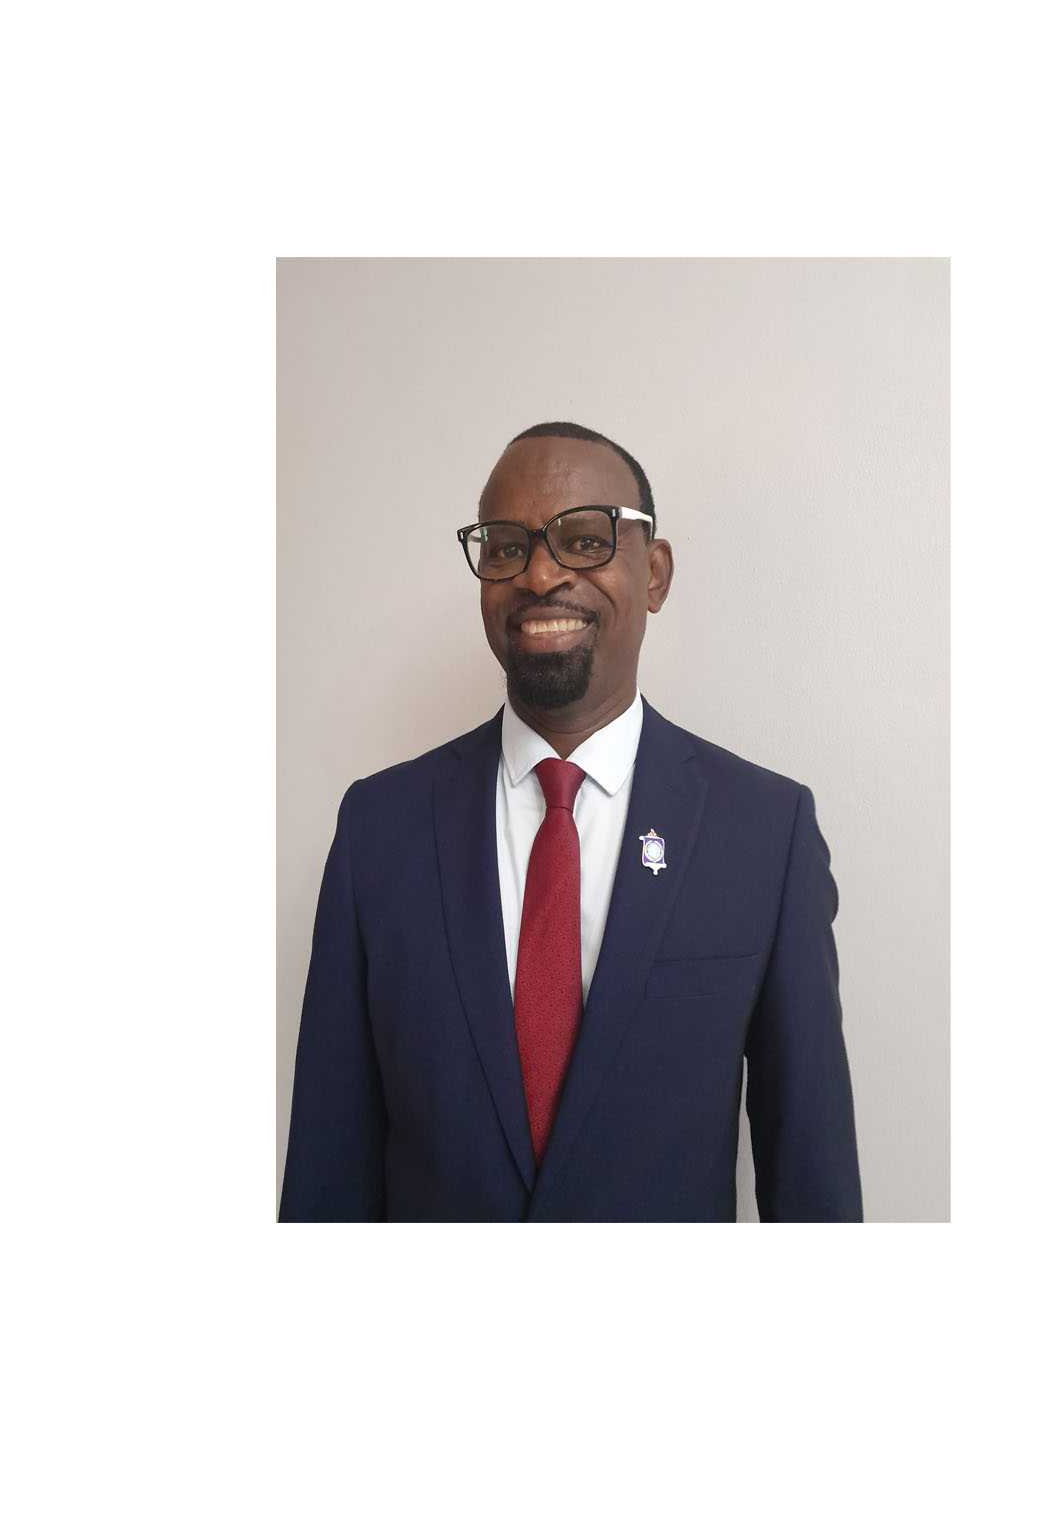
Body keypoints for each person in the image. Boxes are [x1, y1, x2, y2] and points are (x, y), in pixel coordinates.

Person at [279, 422, 863, 1222]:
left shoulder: (763, 832)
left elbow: (813, 1182)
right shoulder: (378, 830)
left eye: (585, 540)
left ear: (653, 572)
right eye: (506, 547)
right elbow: (328, 1169)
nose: (541, 573)